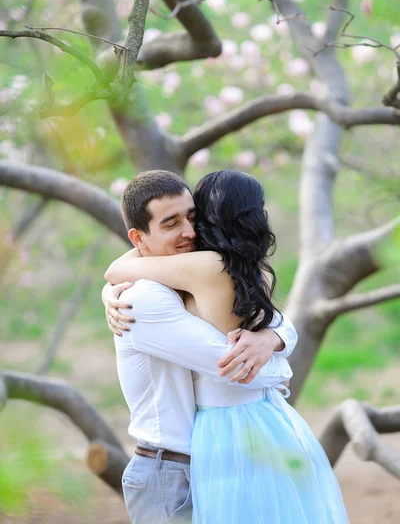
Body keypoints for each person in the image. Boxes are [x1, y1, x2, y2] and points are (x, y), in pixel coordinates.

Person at [105, 169, 350, 524]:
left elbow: (116, 268)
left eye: (193, 217)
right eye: (172, 223)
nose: (189, 231)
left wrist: (273, 338)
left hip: (220, 436)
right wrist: (276, 347)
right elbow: (236, 363)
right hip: (223, 438)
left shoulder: (198, 269)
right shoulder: (248, 270)